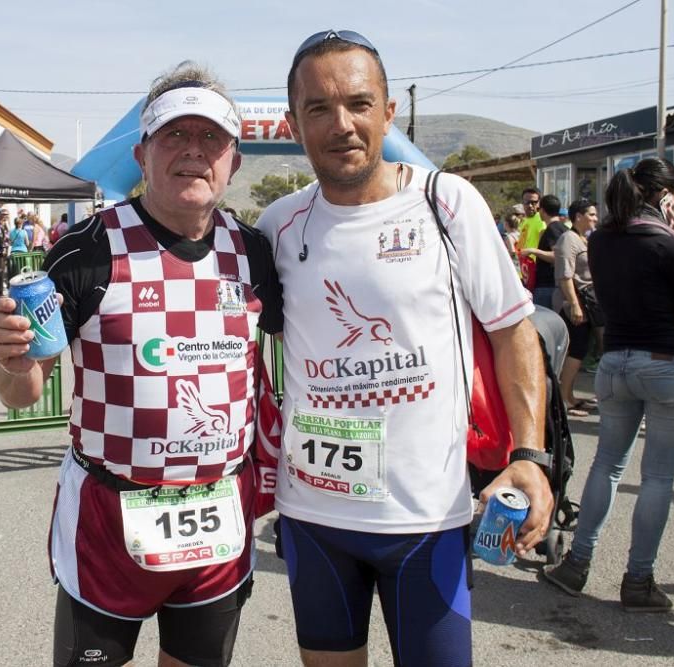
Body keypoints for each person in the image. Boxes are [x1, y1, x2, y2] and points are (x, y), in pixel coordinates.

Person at [257, 30, 551, 667]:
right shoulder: (277, 225)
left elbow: (512, 332)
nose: (342, 124)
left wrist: (529, 453)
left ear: (388, 112)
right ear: (292, 124)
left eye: (360, 104)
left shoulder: (446, 203)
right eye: (319, 108)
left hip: (427, 518)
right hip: (314, 515)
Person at [0, 62, 281, 667]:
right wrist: (10, 356)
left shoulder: (254, 253)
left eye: (211, 139)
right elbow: (20, 394)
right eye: (175, 135)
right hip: (109, 516)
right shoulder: (86, 249)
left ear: (234, 160)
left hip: (216, 515)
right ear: (143, 153)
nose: (193, 153)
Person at [543, 157, 674, 612]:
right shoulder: (666, 242)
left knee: (606, 467)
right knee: (656, 477)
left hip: (615, 364)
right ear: (662, 196)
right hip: (664, 364)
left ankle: (576, 565)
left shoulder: (599, 241)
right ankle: (638, 582)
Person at [552, 199, 600, 416]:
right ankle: (563, 399)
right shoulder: (567, 240)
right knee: (575, 350)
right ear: (578, 216)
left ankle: (569, 395)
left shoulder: (585, 239)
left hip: (588, 303)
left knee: (580, 350)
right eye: (591, 214)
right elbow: (565, 276)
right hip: (574, 303)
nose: (595, 218)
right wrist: (574, 305)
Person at [520, 194, 566, 309]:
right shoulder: (562, 227)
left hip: (547, 286)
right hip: (553, 285)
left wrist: (533, 250)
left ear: (542, 210)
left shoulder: (553, 229)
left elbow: (557, 256)